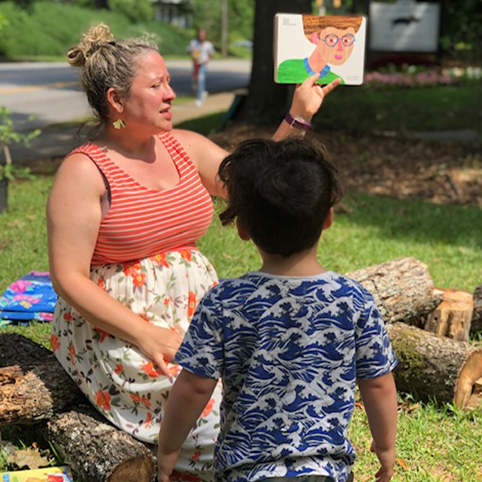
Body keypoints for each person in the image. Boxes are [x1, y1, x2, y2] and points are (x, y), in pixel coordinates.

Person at [47, 23, 340, 482]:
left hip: (199, 313)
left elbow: (260, 185)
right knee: (208, 417)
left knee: (266, 385)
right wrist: (146, 334)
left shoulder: (183, 146)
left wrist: (299, 115)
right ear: (116, 100)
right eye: (156, 85)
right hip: (117, 327)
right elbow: (68, 278)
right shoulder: (84, 172)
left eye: (168, 81)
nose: (171, 93)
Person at [157, 138, 398, 482]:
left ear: (243, 228)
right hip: (325, 472)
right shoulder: (354, 299)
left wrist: (168, 449)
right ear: (328, 219)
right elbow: (378, 385)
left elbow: (194, 387)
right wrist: (385, 446)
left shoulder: (225, 300)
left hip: (247, 473)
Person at [277, 16, 363, 84]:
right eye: (331, 40)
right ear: (315, 38)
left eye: (346, 40)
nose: (340, 48)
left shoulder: (336, 80)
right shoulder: (287, 67)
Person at [188, 29, 214, 108]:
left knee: (201, 80)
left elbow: (211, 54)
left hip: (203, 65)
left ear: (205, 36)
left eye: (203, 35)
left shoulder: (208, 45)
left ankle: (199, 99)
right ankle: (202, 92)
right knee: (195, 82)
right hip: (195, 64)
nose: (201, 36)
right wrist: (192, 53)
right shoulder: (194, 43)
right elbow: (189, 51)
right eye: (200, 35)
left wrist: (206, 61)